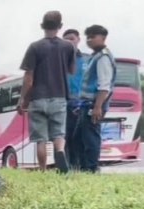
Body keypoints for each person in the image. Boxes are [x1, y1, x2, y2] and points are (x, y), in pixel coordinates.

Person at [16, 10, 76, 172]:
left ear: (42, 26)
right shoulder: (68, 46)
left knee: (40, 139)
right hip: (59, 96)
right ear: (60, 26)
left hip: (38, 99)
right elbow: (72, 70)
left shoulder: (34, 47)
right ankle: (60, 151)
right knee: (59, 134)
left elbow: (29, 77)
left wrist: (23, 100)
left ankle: (43, 170)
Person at [76, 24, 116, 173]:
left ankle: (91, 169)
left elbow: (104, 86)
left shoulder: (103, 57)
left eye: (93, 37)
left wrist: (98, 107)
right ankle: (83, 168)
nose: (89, 40)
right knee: (79, 137)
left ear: (103, 38)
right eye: (88, 37)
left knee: (90, 137)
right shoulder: (94, 56)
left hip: (94, 104)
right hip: (86, 104)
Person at [63, 28, 89, 170]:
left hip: (84, 104)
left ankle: (85, 167)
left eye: (71, 39)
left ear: (78, 40)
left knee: (84, 137)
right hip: (65, 104)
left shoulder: (87, 59)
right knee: (67, 137)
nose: (69, 42)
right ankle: (70, 166)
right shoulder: (59, 60)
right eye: (66, 39)